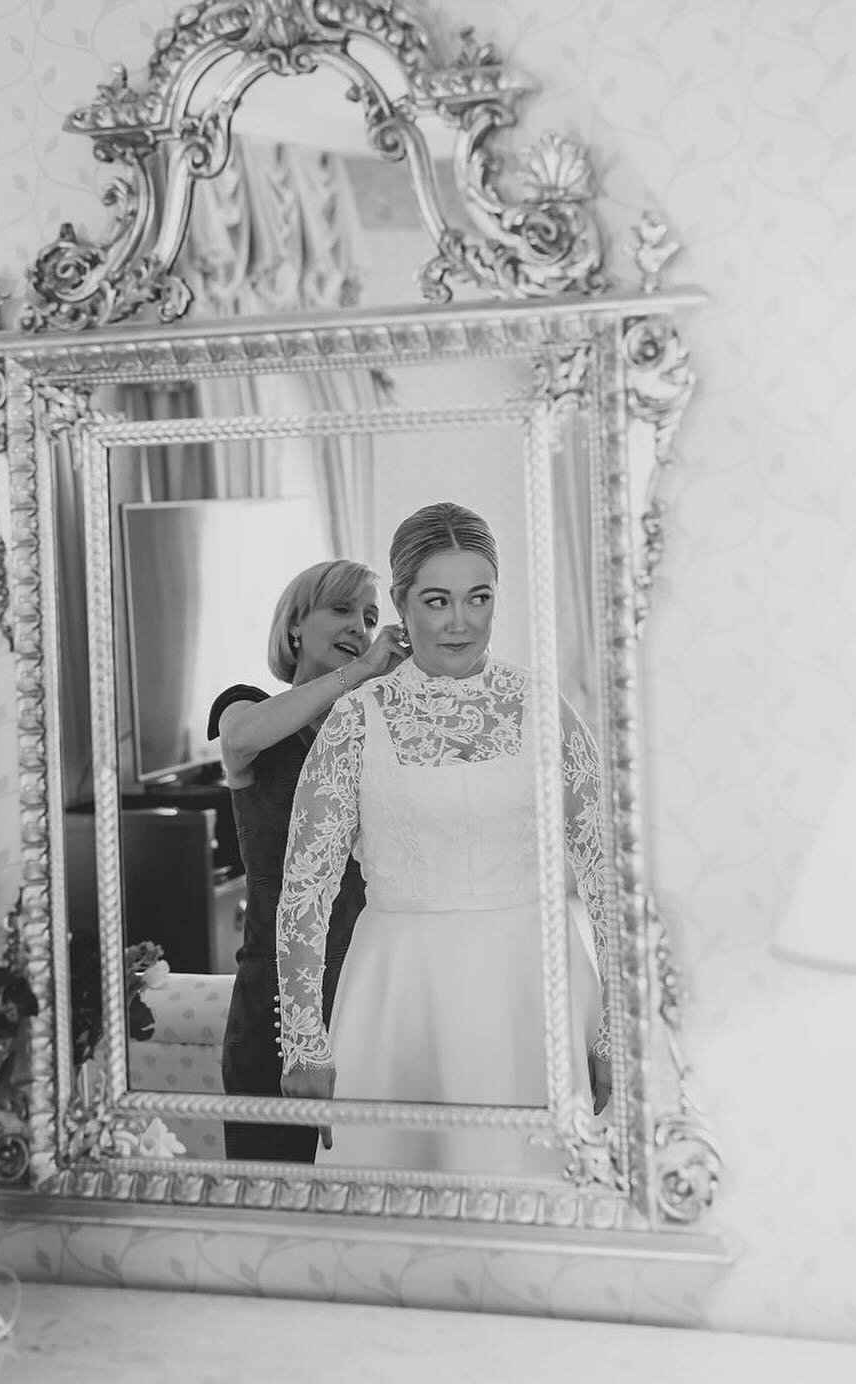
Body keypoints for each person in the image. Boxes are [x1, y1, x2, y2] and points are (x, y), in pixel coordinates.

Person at [275, 502, 610, 1175]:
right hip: (400, 992)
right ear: (400, 603)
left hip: (534, 988)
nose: (460, 620)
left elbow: (605, 876)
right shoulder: (354, 723)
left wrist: (615, 1028)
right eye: (437, 600)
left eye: (478, 597)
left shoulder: (549, 712)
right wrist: (304, 1044)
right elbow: (305, 892)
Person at [207, 558, 406, 1163]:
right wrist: (363, 673)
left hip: (368, 987)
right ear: (295, 626)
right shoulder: (247, 711)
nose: (360, 628)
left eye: (371, 619)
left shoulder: (375, 732)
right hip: (273, 998)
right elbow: (235, 743)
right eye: (343, 610)